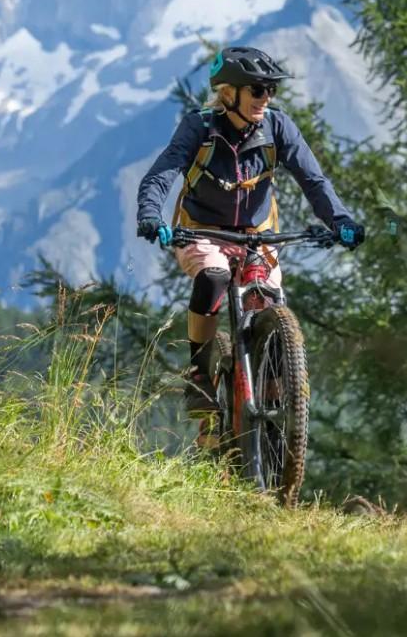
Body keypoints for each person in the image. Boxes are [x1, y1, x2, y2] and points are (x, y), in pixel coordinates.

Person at [135, 45, 363, 421]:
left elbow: (313, 180)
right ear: (228, 92)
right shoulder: (200, 127)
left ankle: (272, 381)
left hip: (258, 233)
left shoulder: (278, 126)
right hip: (201, 230)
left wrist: (342, 223)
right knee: (215, 276)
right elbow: (163, 172)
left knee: (267, 298)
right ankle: (198, 376)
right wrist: (150, 214)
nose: (266, 98)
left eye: (271, 89)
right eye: (257, 89)